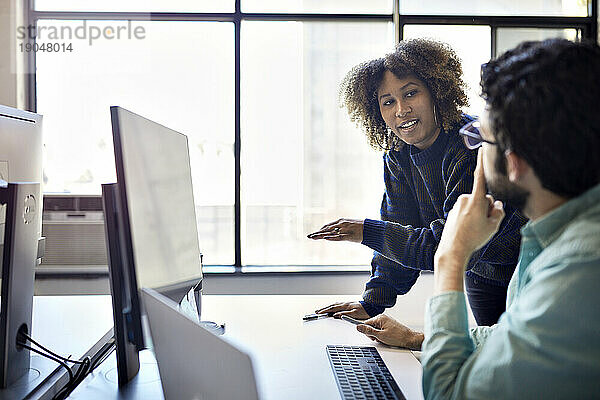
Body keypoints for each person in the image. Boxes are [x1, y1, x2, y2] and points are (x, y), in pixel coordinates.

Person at [356, 38, 600, 398]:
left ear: (512, 163)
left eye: (479, 140)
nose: (400, 110)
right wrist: (410, 334)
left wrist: (453, 256)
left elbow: (451, 392)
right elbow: (513, 337)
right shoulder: (557, 240)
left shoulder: (576, 267)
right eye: (388, 101)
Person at [308, 38, 527, 326]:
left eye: (410, 94)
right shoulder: (397, 156)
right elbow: (398, 225)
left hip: (524, 266)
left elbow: (449, 244)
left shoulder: (470, 144)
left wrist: (366, 232)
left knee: (518, 358)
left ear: (437, 92)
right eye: (388, 102)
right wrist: (372, 301)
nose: (401, 109)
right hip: (482, 273)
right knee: (492, 357)